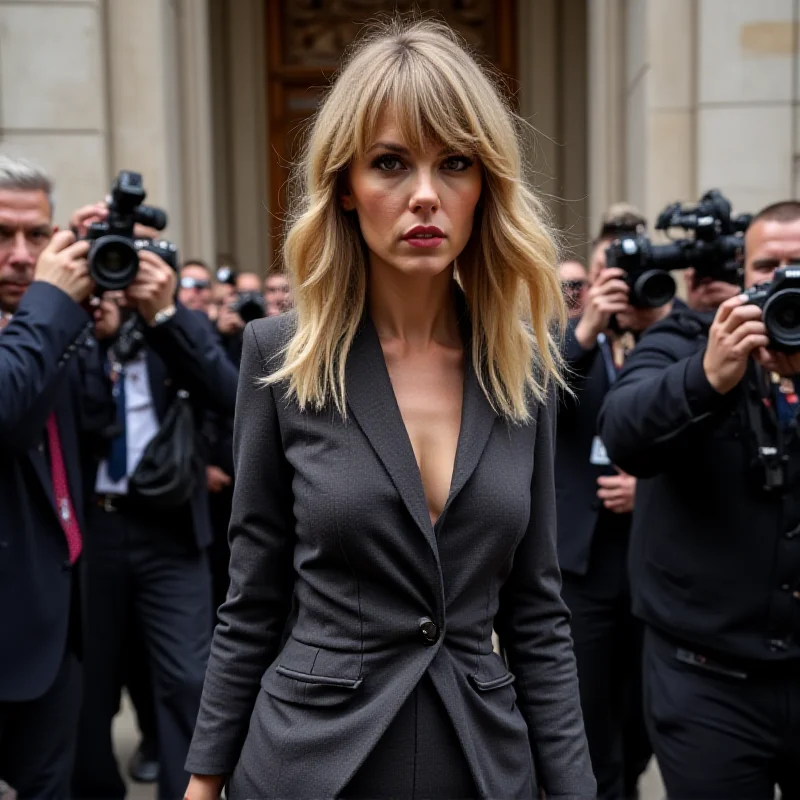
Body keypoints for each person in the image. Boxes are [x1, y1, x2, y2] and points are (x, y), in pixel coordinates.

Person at [184, 18, 595, 800]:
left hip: (479, 761)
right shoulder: (279, 357)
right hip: (310, 761)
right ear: (344, 185)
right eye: (390, 164)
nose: (426, 196)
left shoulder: (526, 369)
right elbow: (252, 596)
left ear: (486, 185)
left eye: (455, 163)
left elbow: (538, 613)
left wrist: (575, 790)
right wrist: (205, 781)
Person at [598, 200, 800, 799]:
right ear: (742, 271)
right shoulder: (685, 338)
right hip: (707, 680)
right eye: (768, 265)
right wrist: (709, 376)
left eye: (799, 265)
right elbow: (623, 430)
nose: (783, 281)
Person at [69, 204, 239, 800]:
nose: (125, 268)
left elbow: (228, 393)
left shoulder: (173, 323)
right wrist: (89, 323)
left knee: (189, 681)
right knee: (88, 690)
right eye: (115, 253)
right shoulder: (77, 319)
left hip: (170, 529)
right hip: (90, 530)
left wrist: (163, 313)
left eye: (141, 254)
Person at [0, 156, 113, 797]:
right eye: (2, 235)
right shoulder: (40, 315)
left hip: (56, 628)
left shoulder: (43, 323)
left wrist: (92, 322)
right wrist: (50, 301)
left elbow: (94, 425)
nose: (22, 256)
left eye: (37, 235)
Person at [556, 207, 659, 800]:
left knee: (645, 713)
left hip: (654, 561)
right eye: (606, 268)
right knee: (588, 714)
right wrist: (589, 326)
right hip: (582, 563)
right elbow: (537, 402)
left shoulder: (667, 340)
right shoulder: (562, 342)